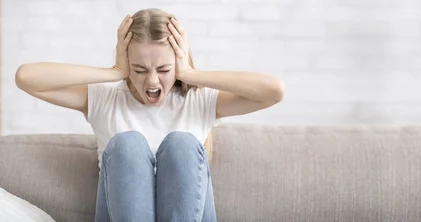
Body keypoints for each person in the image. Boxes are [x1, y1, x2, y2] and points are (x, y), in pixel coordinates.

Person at [15, 8, 285, 222]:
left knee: (181, 143)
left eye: (164, 69)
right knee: (127, 144)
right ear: (127, 64)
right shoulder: (106, 100)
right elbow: (27, 77)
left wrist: (191, 74)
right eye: (140, 69)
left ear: (177, 64)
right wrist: (113, 72)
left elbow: (273, 91)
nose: (152, 81)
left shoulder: (198, 100)